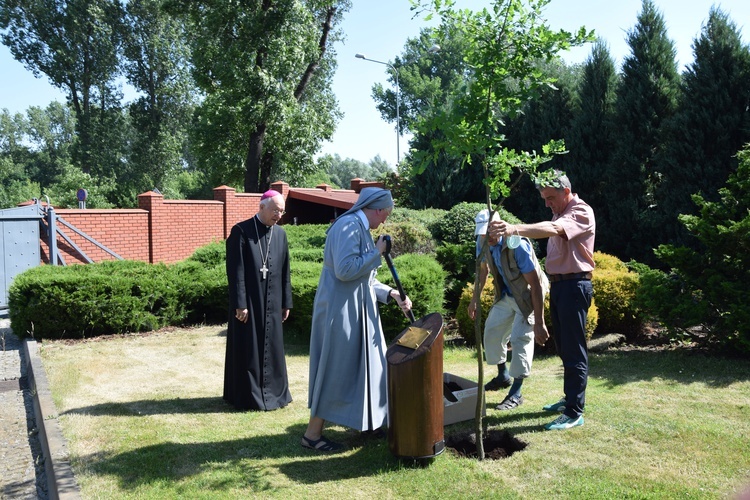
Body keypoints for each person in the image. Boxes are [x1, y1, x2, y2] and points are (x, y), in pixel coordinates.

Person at [302, 187, 413, 452]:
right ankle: (312, 435)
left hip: (357, 309)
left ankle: (371, 423)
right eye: (385, 214)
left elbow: (366, 279)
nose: (384, 221)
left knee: (373, 366)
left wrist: (392, 294)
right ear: (375, 209)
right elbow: (344, 270)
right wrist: (377, 253)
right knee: (336, 369)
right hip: (340, 311)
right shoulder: (348, 226)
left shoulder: (361, 229)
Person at [489, 170, 595, 430]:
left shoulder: (580, 211)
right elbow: (553, 223)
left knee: (574, 351)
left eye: (550, 197)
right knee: (564, 348)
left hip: (574, 285)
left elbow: (554, 229)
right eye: (544, 199)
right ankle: (570, 398)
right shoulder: (560, 212)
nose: (547, 203)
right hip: (561, 287)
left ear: (566, 191)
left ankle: (573, 412)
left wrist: (514, 228)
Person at [468, 209, 549, 411]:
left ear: (500, 227)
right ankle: (503, 376)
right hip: (506, 295)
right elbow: (483, 271)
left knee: (520, 338)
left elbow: (536, 285)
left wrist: (539, 322)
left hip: (527, 295)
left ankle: (516, 392)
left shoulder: (518, 245)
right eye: (483, 235)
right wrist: (474, 300)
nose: (487, 239)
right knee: (492, 331)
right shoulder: (482, 242)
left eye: (491, 233)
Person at [223, 190, 293, 411]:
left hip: (273, 303)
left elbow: (285, 271)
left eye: (281, 211)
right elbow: (236, 272)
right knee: (249, 348)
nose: (279, 215)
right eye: (275, 210)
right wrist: (239, 303)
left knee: (272, 349)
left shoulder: (280, 234)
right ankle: (246, 396)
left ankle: (276, 394)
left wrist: (286, 302)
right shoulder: (241, 231)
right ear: (262, 207)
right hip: (249, 304)